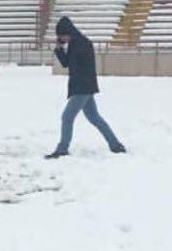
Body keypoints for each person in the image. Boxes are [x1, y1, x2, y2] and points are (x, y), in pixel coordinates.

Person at [46, 16, 126, 158]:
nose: (60, 39)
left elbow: (77, 66)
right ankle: (115, 145)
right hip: (83, 86)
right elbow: (66, 64)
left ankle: (62, 149)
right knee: (94, 118)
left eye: (61, 36)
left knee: (67, 117)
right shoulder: (74, 43)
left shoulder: (82, 44)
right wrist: (59, 49)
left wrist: (80, 86)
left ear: (67, 32)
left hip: (82, 87)